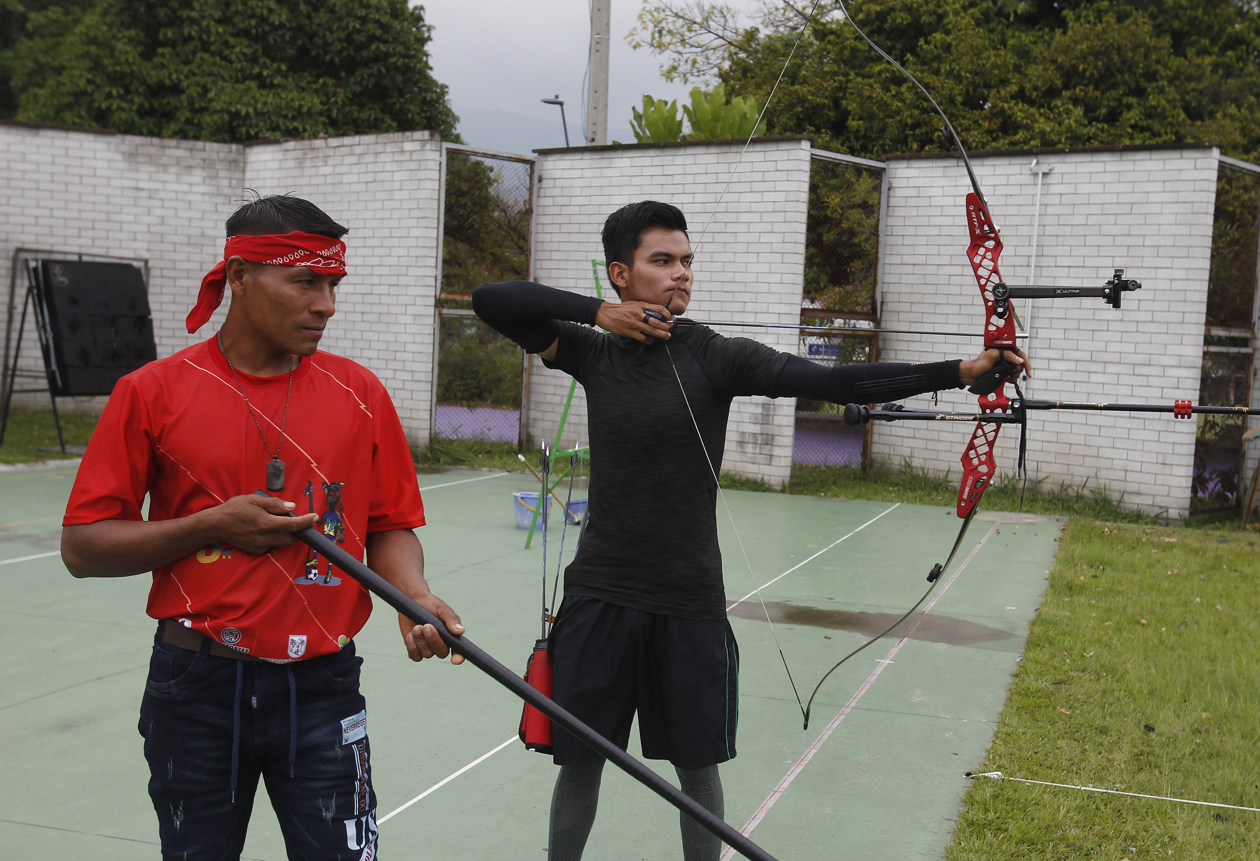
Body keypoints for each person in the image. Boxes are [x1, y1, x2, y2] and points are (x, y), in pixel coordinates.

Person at [472, 199, 1029, 861]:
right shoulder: (592, 352)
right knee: (582, 763)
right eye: (662, 261)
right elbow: (493, 298)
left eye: (687, 261)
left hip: (688, 602)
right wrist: (597, 312)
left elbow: (834, 378)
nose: (681, 274)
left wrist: (957, 373)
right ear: (621, 273)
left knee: (697, 772)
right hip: (601, 596)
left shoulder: (714, 355)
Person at [61, 195, 464, 861]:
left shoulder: (361, 393)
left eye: (333, 283)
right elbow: (83, 544)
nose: (326, 303)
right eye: (306, 281)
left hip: (326, 685)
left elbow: (389, 524)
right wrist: (209, 526)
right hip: (196, 684)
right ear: (239, 278)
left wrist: (413, 596)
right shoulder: (153, 391)